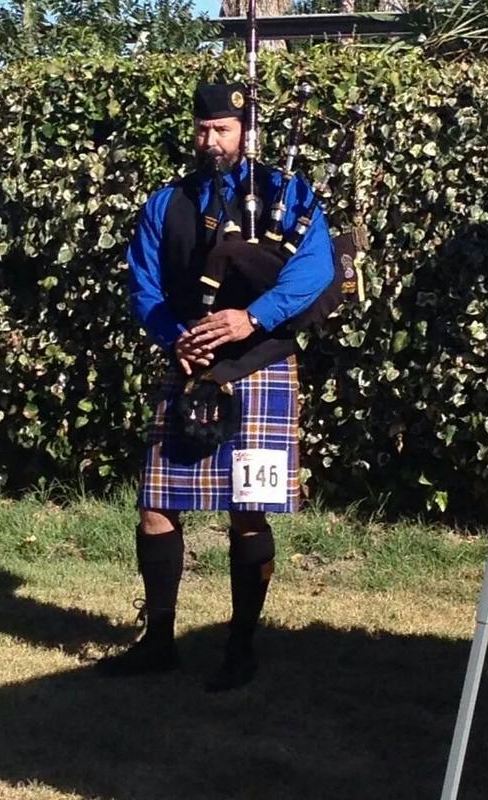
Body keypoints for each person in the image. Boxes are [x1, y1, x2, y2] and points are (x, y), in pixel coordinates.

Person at [95, 82, 334, 691]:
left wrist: (250, 317)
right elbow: (144, 285)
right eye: (203, 128)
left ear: (245, 132)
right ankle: (159, 641)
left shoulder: (289, 194)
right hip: (186, 363)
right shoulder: (166, 203)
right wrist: (176, 335)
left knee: (248, 510)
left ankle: (240, 647)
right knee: (155, 505)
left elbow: (317, 272)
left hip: (260, 363)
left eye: (223, 129)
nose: (211, 139)